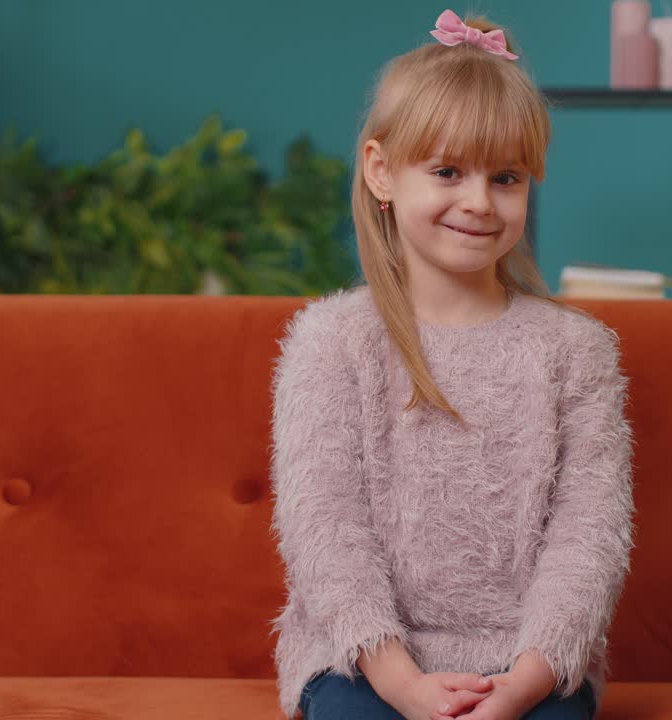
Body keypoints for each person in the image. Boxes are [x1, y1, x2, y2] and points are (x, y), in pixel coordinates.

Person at [271, 9, 635, 720]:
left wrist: (526, 678)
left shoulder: (577, 351)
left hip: (530, 664)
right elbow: (327, 534)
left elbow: (589, 537)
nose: (479, 202)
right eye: (447, 171)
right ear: (382, 171)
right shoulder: (329, 341)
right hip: (363, 662)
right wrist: (404, 684)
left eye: (506, 177)